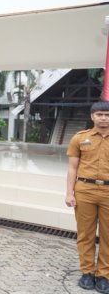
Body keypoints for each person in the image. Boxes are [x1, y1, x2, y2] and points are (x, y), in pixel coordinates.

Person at [66, 101, 109, 292]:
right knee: (85, 234)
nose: (103, 118)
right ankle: (87, 272)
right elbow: (72, 168)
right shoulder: (79, 138)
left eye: (107, 115)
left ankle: (104, 275)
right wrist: (69, 193)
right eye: (99, 114)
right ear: (92, 116)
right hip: (85, 191)